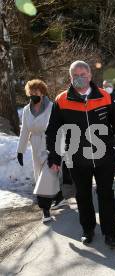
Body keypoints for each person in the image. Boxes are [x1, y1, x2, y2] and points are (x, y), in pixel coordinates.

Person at [45, 61, 115, 248]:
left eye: (83, 74)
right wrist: (55, 157)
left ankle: (110, 233)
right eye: (75, 75)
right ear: (70, 77)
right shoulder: (62, 100)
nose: (79, 78)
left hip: (105, 156)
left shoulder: (105, 96)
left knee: (106, 195)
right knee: (83, 196)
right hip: (77, 158)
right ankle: (87, 230)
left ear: (90, 76)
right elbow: (53, 131)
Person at [17, 79, 67, 223]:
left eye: (36, 92)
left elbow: (59, 129)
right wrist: (20, 150)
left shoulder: (52, 107)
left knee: (47, 174)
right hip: (35, 145)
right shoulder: (27, 110)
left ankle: (45, 210)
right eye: (31, 93)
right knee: (40, 175)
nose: (33, 95)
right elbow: (24, 130)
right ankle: (59, 197)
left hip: (50, 144)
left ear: (43, 92)